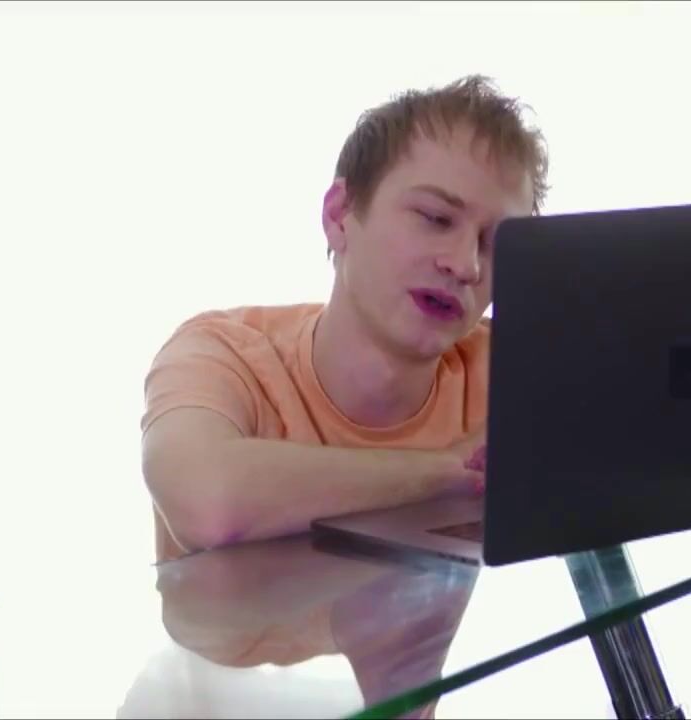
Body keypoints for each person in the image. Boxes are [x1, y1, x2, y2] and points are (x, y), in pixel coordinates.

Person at [140, 75, 550, 561]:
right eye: (436, 219)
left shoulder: (511, 366)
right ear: (339, 216)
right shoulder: (221, 352)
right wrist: (449, 467)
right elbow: (209, 505)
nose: (466, 266)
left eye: (495, 243)